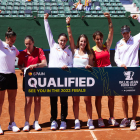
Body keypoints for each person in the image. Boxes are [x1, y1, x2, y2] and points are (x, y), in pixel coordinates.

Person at [44, 13, 73, 130]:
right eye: (61, 40)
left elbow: (71, 64)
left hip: (64, 79)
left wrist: (67, 66)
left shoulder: (69, 51)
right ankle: (54, 120)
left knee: (64, 101)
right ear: (58, 40)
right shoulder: (53, 46)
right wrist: (45, 20)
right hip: (53, 78)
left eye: (64, 40)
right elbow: (48, 33)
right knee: (53, 100)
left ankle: (63, 120)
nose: (62, 42)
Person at [66, 17, 94, 130]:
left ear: (86, 43)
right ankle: (77, 120)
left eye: (84, 41)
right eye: (81, 41)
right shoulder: (74, 51)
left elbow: (93, 66)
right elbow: (70, 37)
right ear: (79, 42)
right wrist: (68, 24)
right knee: (75, 100)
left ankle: (90, 120)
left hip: (86, 80)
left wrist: (89, 66)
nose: (83, 43)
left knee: (88, 100)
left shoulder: (89, 53)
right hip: (75, 79)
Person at [92, 12, 119, 128]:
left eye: (101, 38)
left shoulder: (106, 46)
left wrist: (109, 19)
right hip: (98, 73)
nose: (99, 40)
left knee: (111, 96)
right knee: (98, 97)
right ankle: (99, 118)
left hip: (109, 72)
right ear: (94, 39)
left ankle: (111, 117)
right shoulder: (92, 50)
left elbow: (111, 31)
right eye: (97, 39)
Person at [114, 14, 140, 131]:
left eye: (127, 32)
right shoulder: (118, 43)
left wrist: (138, 18)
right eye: (123, 33)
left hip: (134, 71)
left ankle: (133, 119)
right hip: (123, 72)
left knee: (135, 96)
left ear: (130, 32)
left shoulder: (135, 40)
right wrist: (120, 64)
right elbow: (116, 58)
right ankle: (125, 118)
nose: (125, 34)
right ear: (121, 33)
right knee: (124, 97)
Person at [18, 36, 47, 131]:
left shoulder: (39, 51)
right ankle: (27, 122)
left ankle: (36, 122)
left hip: (38, 79)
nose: (28, 45)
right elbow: (19, 65)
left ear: (33, 42)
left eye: (30, 43)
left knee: (37, 100)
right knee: (28, 101)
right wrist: (24, 69)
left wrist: (35, 65)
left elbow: (44, 63)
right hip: (28, 79)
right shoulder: (22, 53)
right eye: (26, 44)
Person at [0, 10, 20, 135]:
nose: (13, 42)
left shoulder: (14, 48)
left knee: (12, 100)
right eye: (11, 40)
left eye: (14, 40)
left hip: (12, 76)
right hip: (1, 75)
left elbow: (22, 56)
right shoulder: (1, 44)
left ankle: (12, 123)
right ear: (6, 38)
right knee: (0, 101)